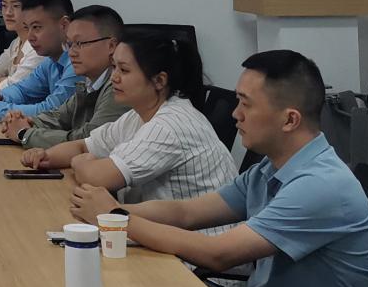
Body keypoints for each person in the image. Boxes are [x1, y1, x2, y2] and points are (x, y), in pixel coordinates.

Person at [69, 50, 368, 287]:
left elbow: (218, 254)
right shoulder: (272, 167)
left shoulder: (319, 185)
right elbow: (187, 212)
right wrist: (105, 210)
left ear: (289, 120)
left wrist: (116, 217)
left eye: (246, 104)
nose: (235, 113)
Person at [32, 28, 234, 203]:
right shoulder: (137, 115)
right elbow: (83, 146)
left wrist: (80, 163)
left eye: (124, 70)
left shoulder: (169, 125)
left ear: (159, 81)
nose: (114, 77)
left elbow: (97, 177)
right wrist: (45, 156)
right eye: (113, 67)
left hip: (194, 235)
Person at [8, 4, 130, 153]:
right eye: (70, 44)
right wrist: (27, 122)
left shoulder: (119, 87)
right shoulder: (88, 83)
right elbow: (58, 117)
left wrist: (24, 134)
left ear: (111, 46)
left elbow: (88, 141)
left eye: (79, 44)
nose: (72, 53)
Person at [0, 0, 75, 123]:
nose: (30, 37)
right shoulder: (50, 62)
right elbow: (22, 90)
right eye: (28, 27)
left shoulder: (77, 62)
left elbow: (51, 112)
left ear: (64, 25)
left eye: (37, 27)